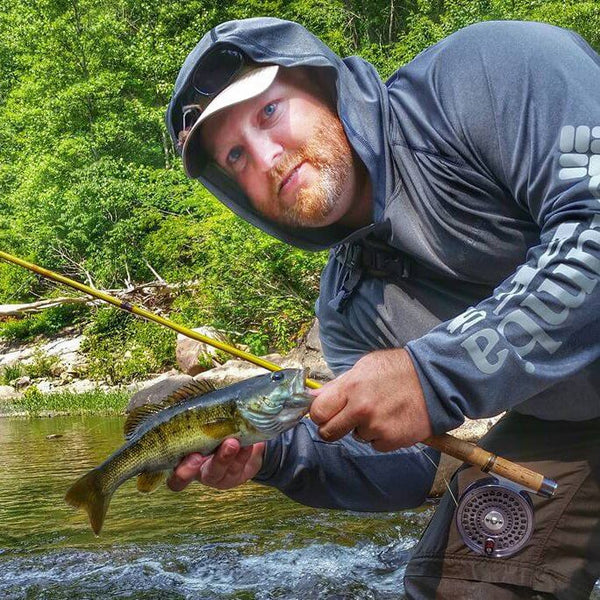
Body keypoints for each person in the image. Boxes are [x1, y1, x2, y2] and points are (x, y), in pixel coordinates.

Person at [165, 18, 600, 599]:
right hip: (574, 426)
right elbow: (416, 465)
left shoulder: (495, 71)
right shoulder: (347, 310)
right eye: (237, 155)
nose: (267, 157)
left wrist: (432, 374)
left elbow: (593, 228)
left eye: (269, 112)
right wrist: (273, 453)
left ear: (320, 84)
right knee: (459, 583)